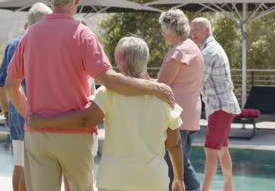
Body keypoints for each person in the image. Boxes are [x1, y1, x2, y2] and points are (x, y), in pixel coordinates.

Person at [5, 0, 175, 191]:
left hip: (38, 134)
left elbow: (11, 85)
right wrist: (153, 87)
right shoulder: (83, 35)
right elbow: (110, 80)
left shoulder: (30, 35)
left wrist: (29, 114)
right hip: (75, 136)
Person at [29, 36, 185, 191]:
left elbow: (84, 120)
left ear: (118, 59)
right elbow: (174, 144)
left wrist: (43, 122)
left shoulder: (109, 92)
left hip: (115, 180)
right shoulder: (164, 97)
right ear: (146, 60)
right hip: (153, 181)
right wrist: (179, 178)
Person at [0, 2, 52, 191]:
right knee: (30, 169)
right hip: (34, 114)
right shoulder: (41, 44)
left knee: (19, 166)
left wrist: (5, 112)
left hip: (15, 114)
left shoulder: (13, 44)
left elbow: (0, 84)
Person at [190, 17, 241, 191]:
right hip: (224, 105)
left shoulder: (208, 52)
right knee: (222, 149)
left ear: (207, 30)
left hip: (219, 106)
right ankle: (229, 187)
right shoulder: (213, 48)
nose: (193, 33)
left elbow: (197, 81)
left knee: (210, 150)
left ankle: (205, 190)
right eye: (192, 29)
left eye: (197, 28)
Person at [158, 9, 203, 191]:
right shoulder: (192, 48)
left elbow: (161, 85)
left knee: (177, 166)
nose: (162, 33)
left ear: (170, 29)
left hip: (177, 117)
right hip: (190, 115)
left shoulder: (179, 52)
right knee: (180, 163)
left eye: (163, 29)